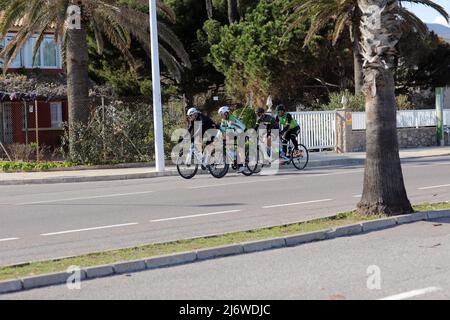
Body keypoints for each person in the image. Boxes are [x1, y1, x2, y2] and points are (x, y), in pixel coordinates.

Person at [218, 106, 246, 173]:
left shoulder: (232, 118)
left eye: (222, 115)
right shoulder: (223, 120)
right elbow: (222, 130)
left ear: (226, 113)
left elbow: (241, 126)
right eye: (220, 115)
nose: (222, 116)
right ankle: (234, 158)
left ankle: (241, 165)